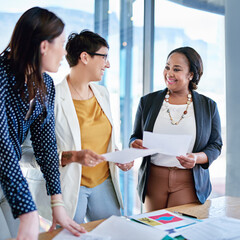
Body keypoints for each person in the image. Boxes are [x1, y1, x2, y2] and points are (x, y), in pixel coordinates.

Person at [20, 30, 134, 224]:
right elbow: (25, 153)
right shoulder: (49, 97)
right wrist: (69, 157)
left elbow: (100, 141)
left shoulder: (103, 93)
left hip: (104, 183)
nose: (108, 64)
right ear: (85, 57)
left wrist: (117, 156)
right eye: (104, 57)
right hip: (67, 186)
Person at [0, 7, 86, 240]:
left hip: (9, 182)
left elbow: (46, 148)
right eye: (61, 43)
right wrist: (28, 212)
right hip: (9, 175)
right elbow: (3, 144)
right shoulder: (1, 77)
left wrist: (57, 202)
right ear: (44, 46)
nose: (64, 53)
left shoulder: (45, 84)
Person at [129, 47, 222, 212]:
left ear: (190, 75)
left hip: (188, 181)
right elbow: (135, 136)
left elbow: (215, 145)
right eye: (167, 67)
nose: (169, 73)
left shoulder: (208, 106)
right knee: (154, 232)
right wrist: (135, 144)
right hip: (154, 180)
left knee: (179, 234)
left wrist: (196, 157)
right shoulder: (147, 102)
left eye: (176, 69)